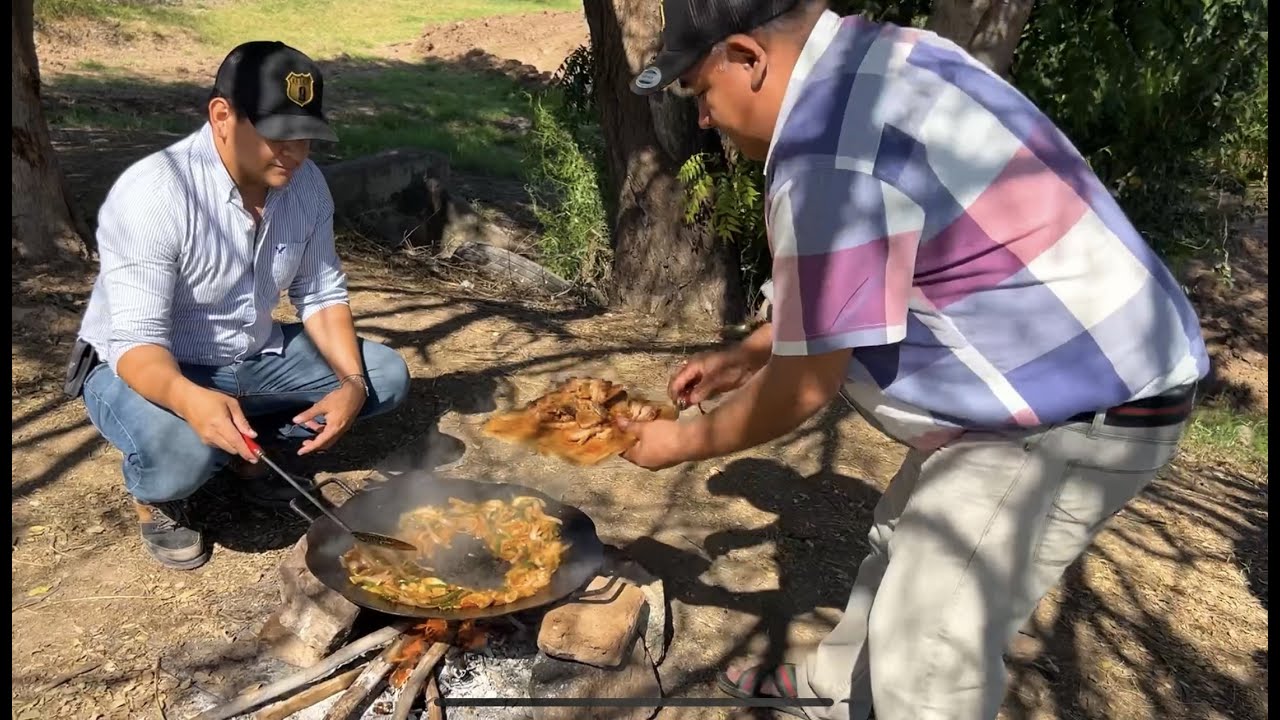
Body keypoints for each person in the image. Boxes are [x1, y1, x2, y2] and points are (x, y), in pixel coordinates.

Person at [619, 1, 1210, 719]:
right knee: (900, 540)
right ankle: (833, 695)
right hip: (1053, 375)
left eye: (700, 91)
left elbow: (807, 387)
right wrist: (749, 353)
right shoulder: (884, 59)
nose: (704, 119)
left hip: (1069, 408)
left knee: (927, 656)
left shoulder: (827, 154)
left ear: (747, 57)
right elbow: (882, 265)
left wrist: (681, 440)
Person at [64, 41, 410, 572]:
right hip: (147, 365)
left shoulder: (305, 186)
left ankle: (256, 451)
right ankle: (159, 496)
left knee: (383, 376)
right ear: (222, 116)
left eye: (307, 139)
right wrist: (189, 397)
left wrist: (351, 385)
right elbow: (136, 343)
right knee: (182, 455)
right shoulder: (154, 193)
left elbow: (319, 293)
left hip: (250, 352)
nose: (295, 154)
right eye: (278, 136)